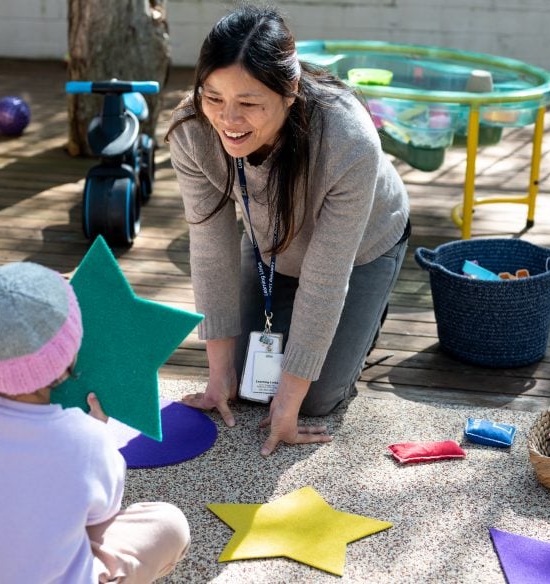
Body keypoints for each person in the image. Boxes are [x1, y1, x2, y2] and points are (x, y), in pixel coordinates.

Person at [166, 5, 410, 457]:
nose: (228, 121)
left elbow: (326, 277)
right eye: (214, 97)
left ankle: (368, 313)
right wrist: (217, 376)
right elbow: (210, 249)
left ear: (290, 91)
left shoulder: (349, 140)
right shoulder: (190, 130)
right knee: (244, 384)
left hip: (361, 252)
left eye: (250, 103)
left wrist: (291, 401)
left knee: (312, 400)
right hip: (270, 247)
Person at [0, 262, 190, 583]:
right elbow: (102, 513)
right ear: (67, 358)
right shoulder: (88, 441)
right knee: (169, 524)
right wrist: (96, 432)